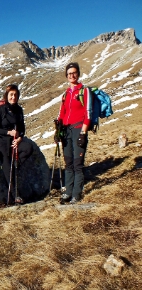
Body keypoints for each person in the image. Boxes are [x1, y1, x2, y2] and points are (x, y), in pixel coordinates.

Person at [0, 84, 35, 205]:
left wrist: (19, 138)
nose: (13, 97)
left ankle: (16, 164)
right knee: (8, 170)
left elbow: (22, 128)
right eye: (11, 95)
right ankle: (15, 196)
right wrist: (9, 132)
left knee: (28, 148)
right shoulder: (1, 109)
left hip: (14, 142)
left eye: (15, 95)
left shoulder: (19, 110)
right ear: (7, 96)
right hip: (2, 143)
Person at [57, 62, 91, 204]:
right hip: (66, 131)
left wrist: (83, 133)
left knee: (78, 163)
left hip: (78, 129)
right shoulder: (65, 94)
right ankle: (68, 192)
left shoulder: (84, 91)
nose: (72, 75)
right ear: (66, 76)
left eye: (74, 72)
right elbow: (61, 114)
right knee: (68, 163)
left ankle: (77, 194)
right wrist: (58, 131)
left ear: (78, 74)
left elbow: (88, 113)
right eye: (69, 73)